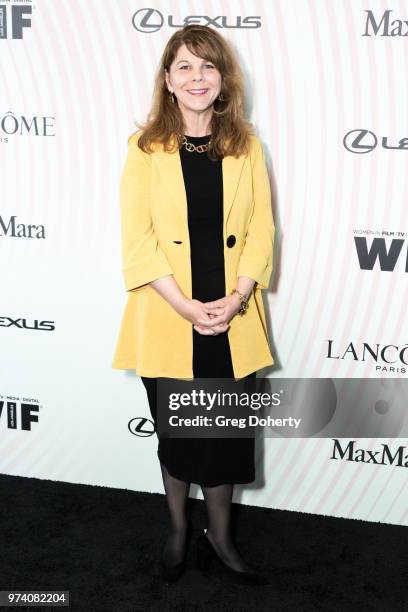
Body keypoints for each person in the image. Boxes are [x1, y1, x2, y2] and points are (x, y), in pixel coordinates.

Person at [112, 25, 275, 585]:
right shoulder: (144, 148)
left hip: (234, 316)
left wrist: (236, 299)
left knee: (225, 437)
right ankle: (180, 529)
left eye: (208, 66)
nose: (197, 77)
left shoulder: (247, 144)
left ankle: (222, 537)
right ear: (168, 80)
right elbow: (137, 241)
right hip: (169, 315)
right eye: (184, 66)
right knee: (180, 437)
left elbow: (262, 233)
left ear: (222, 79)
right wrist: (185, 306)